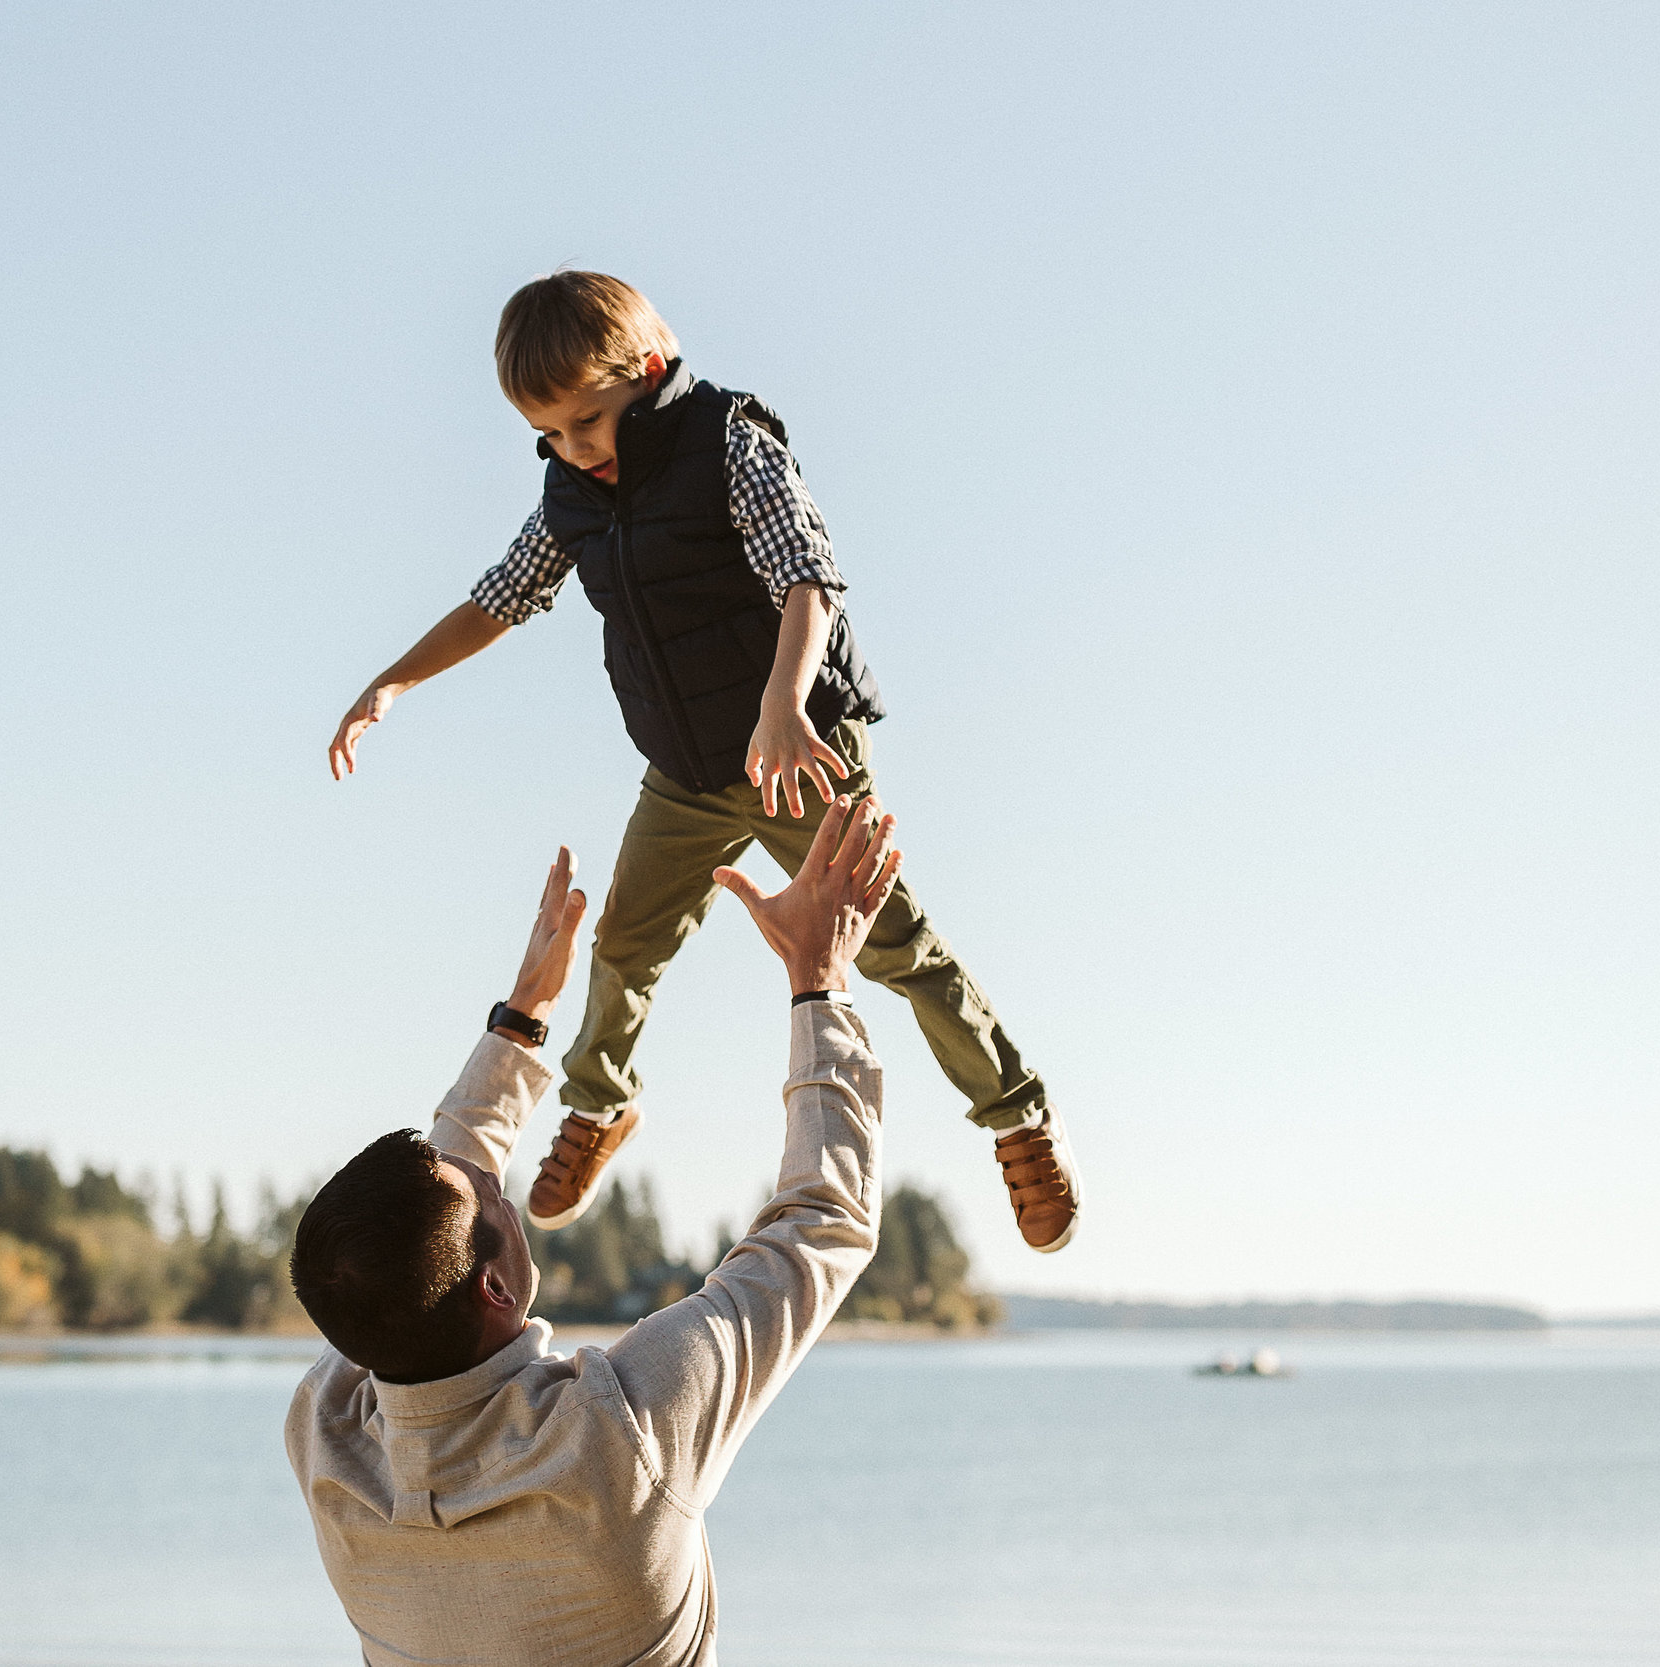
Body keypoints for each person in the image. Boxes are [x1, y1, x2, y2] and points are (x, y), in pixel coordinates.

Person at [325, 269, 1079, 1252]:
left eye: (587, 419)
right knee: (626, 941)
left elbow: (808, 576)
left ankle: (1015, 1113)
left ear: (642, 371)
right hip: (682, 770)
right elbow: (500, 597)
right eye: (548, 433)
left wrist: (781, 703)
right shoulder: (570, 492)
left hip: (797, 749)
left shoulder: (727, 441)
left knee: (894, 946)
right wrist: (394, 680)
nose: (573, 447)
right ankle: (599, 1104)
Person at [287, 797, 906, 1666]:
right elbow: (820, 1221)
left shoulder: (330, 1440)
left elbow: (410, 1245)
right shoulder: (620, 1440)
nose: (498, 1184)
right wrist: (821, 977)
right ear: (495, 1286)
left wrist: (521, 1020)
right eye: (492, 1198)